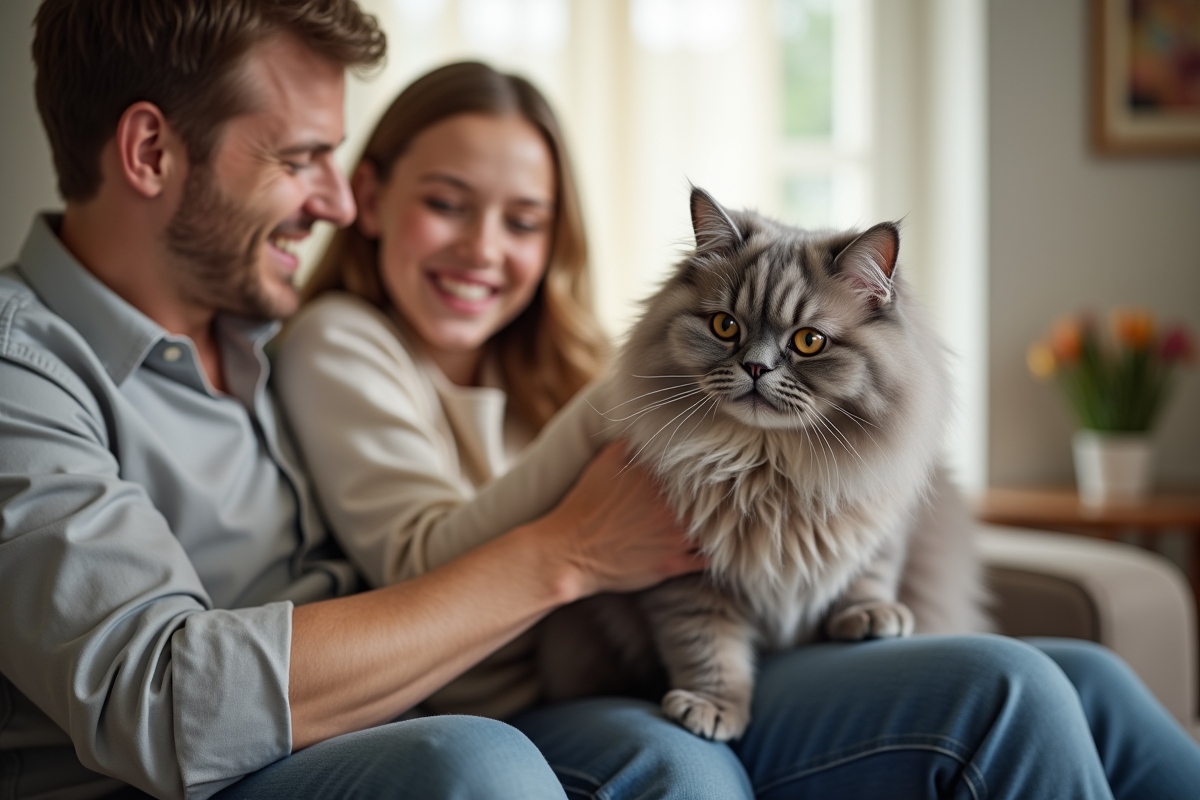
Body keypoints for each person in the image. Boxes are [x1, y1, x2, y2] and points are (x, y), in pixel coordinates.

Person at [274, 60, 1200, 799]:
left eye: (524, 220)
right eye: (447, 203)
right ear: (369, 195)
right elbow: (419, 560)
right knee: (1012, 694)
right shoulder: (342, 342)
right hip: (540, 689)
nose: (485, 248)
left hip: (760, 643)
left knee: (1091, 680)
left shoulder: (545, 346)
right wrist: (635, 401)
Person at [0, 3, 705, 800]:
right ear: (151, 152)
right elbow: (163, 701)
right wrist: (565, 553)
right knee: (474, 765)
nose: (339, 202)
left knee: (677, 764)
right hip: (199, 782)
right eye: (301, 159)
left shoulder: (264, 338)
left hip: (390, 727)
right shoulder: (21, 375)